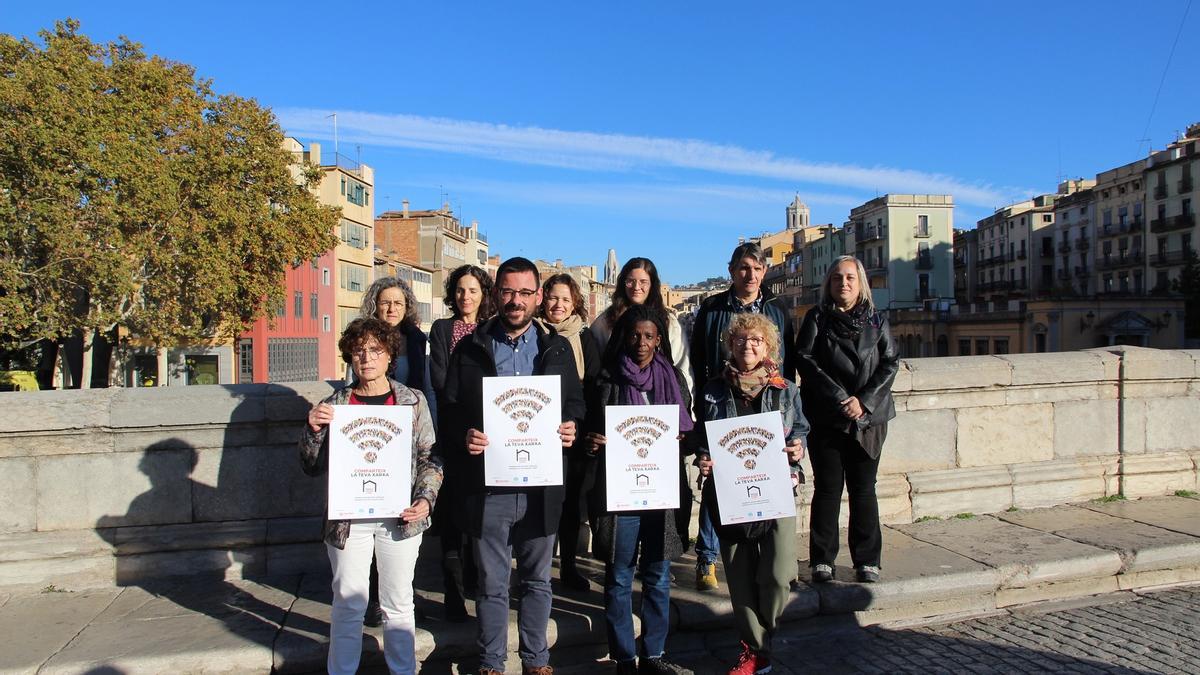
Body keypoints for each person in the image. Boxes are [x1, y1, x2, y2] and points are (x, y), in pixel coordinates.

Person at [444, 257, 586, 675]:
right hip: (490, 485)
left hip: (542, 485)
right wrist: (465, 433)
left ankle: (535, 662)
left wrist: (572, 426)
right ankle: (491, 664)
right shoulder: (470, 347)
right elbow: (450, 408)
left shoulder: (555, 347)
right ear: (496, 293)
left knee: (538, 581)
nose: (516, 301)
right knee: (491, 583)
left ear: (538, 297)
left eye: (525, 293)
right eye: (508, 292)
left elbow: (576, 403)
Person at [299, 318, 442, 675]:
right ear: (349, 355)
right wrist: (313, 429)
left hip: (401, 516)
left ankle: (403, 670)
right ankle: (342, 671)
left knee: (398, 603)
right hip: (349, 520)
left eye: (375, 350)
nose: (366, 357)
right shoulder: (335, 404)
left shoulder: (412, 401)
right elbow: (311, 465)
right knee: (348, 603)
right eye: (359, 350)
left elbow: (430, 457)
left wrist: (425, 500)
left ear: (390, 354)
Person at [695, 314, 808, 675]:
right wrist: (703, 458)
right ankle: (755, 649)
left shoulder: (785, 388)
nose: (749, 346)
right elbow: (702, 437)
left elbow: (800, 429)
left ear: (768, 346)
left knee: (777, 572)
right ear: (731, 344)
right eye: (742, 339)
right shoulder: (713, 389)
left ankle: (765, 635)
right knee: (740, 577)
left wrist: (798, 448)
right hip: (729, 493)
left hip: (777, 490)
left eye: (757, 340)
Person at [584, 305, 694, 675]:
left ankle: (654, 654)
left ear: (659, 340)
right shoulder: (607, 379)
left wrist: (681, 437)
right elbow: (589, 427)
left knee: (658, 573)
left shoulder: (673, 379)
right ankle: (624, 657)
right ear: (623, 337)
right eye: (634, 335)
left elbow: (687, 430)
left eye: (649, 336)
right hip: (620, 492)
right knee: (618, 573)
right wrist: (593, 439)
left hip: (661, 488)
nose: (641, 343)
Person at [687, 242, 797, 591]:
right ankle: (707, 557)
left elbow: (788, 360)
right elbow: (698, 355)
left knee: (765, 476)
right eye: (743, 268)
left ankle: (770, 558)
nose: (750, 275)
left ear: (764, 272)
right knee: (715, 482)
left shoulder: (778, 308)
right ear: (732, 271)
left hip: (767, 403)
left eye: (756, 268)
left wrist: (786, 398)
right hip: (720, 400)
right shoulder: (712, 307)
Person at [794, 255, 899, 584]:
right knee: (827, 489)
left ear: (860, 282)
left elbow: (891, 362)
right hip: (828, 414)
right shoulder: (817, 318)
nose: (844, 283)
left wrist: (864, 402)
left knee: (864, 489)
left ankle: (867, 560)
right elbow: (805, 359)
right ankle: (821, 560)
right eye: (838, 278)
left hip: (868, 418)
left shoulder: (876, 320)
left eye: (850, 278)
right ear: (829, 283)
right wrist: (840, 398)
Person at [590, 257, 696, 560]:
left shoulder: (670, 322)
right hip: (621, 411)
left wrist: (682, 419)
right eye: (631, 280)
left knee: (658, 550)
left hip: (661, 409)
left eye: (643, 281)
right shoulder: (605, 322)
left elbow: (682, 370)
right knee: (619, 558)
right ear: (621, 282)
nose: (636, 286)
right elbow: (598, 373)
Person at [357, 276, 436, 626]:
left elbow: (424, 386)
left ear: (407, 308)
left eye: (398, 303)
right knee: (370, 515)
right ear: (375, 303)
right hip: (370, 435)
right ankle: (374, 597)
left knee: (398, 518)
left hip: (407, 433)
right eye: (385, 302)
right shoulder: (362, 337)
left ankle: (397, 594)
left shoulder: (417, 340)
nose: (391, 308)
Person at [428, 264, 495, 621]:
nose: (465, 296)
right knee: (451, 513)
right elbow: (440, 380)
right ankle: (452, 589)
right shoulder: (442, 330)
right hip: (452, 431)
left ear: (484, 294)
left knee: (480, 509)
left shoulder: (492, 329)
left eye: (472, 290)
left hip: (487, 434)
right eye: (459, 290)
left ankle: (475, 578)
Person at [536, 273, 602, 591]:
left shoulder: (584, 338)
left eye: (565, 299)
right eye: (552, 298)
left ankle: (569, 567)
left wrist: (584, 430)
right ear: (542, 300)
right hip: (536, 435)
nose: (558, 304)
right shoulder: (532, 335)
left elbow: (593, 387)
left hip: (574, 434)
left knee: (571, 503)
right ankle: (537, 568)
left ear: (574, 302)